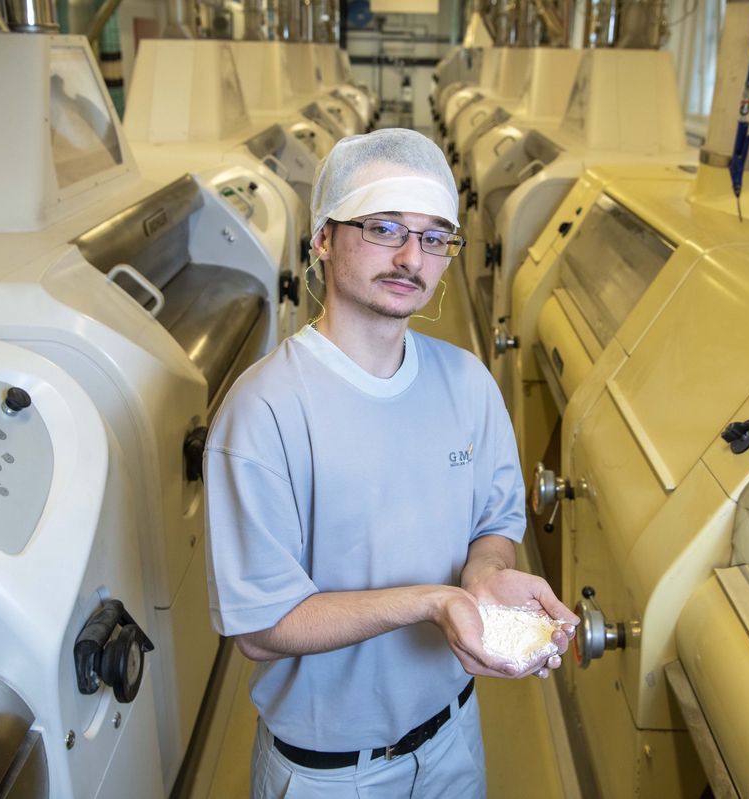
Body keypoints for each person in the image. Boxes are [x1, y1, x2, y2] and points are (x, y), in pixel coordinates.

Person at [204, 128, 578, 798]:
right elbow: (262, 626)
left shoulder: (468, 385)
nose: (412, 257)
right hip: (329, 773)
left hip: (453, 743)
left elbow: (495, 521)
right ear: (323, 237)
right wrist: (433, 602)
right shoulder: (263, 412)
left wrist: (487, 574)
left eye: (435, 237)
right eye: (384, 228)